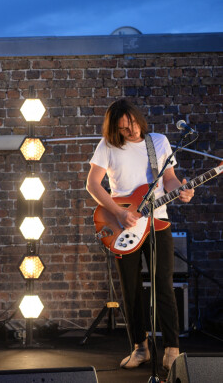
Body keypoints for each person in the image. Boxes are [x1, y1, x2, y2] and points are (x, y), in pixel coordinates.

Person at [86, 99, 194, 372]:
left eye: (132, 124)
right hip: (124, 224)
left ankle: (172, 349)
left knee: (163, 285)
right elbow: (92, 185)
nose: (130, 132)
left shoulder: (158, 141)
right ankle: (140, 348)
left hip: (158, 222)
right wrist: (119, 213)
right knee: (131, 289)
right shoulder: (107, 146)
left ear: (138, 119)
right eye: (123, 129)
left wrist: (181, 188)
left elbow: (168, 178)